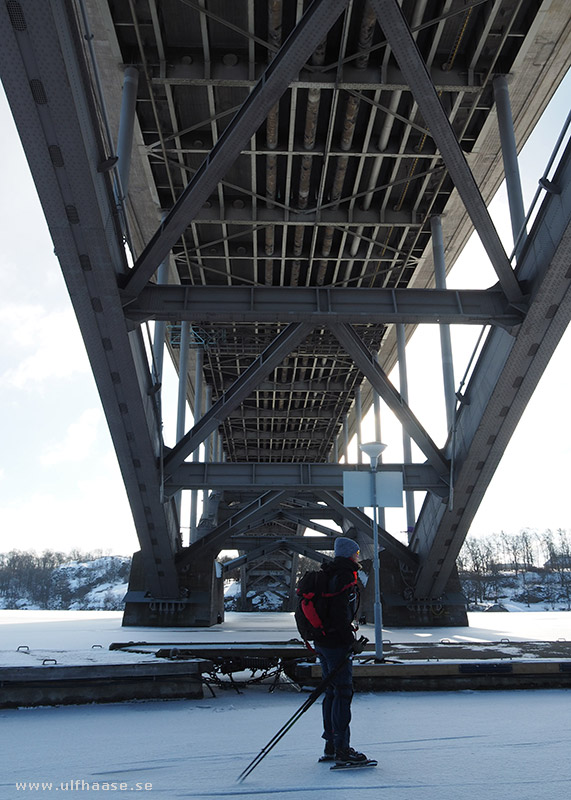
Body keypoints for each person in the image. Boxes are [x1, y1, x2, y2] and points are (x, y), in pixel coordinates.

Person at [314, 536, 370, 766]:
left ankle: (331, 745)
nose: (358, 556)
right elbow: (340, 614)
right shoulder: (345, 576)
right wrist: (350, 642)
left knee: (331, 692)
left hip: (322, 641)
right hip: (337, 644)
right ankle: (342, 750)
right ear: (349, 554)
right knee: (343, 692)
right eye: (356, 553)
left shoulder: (327, 573)